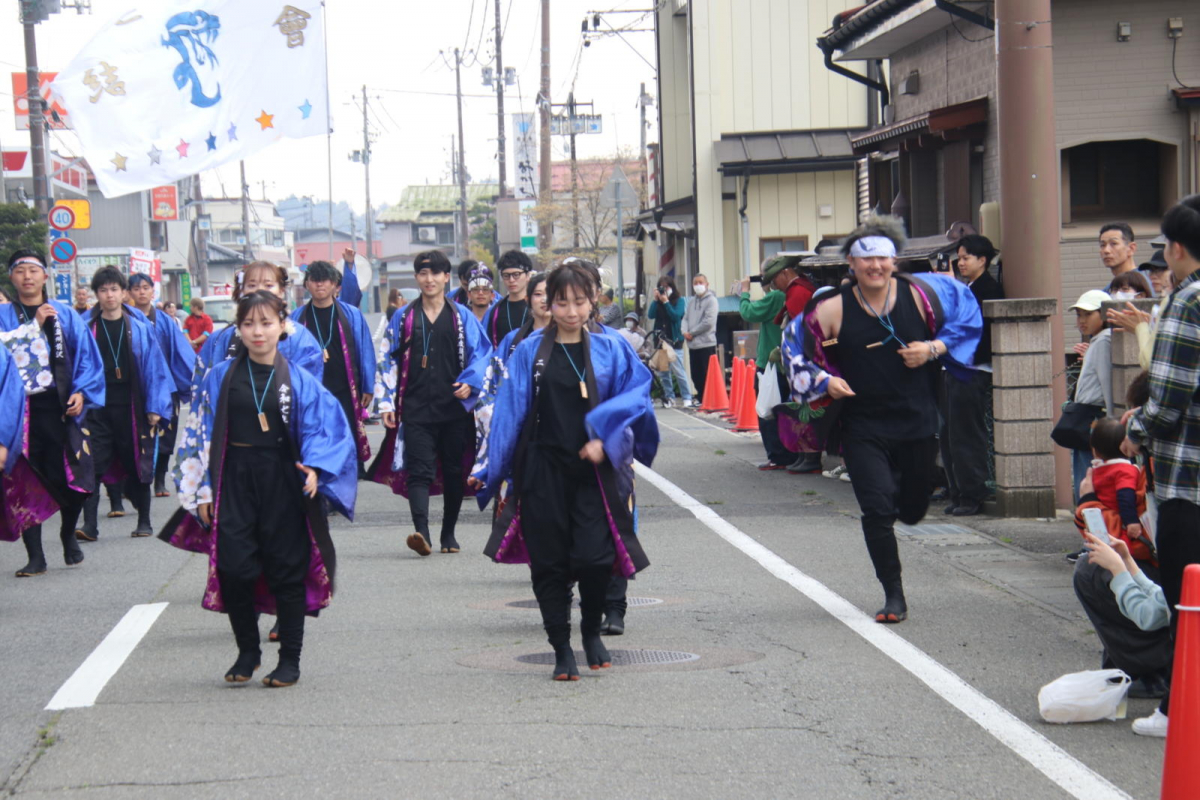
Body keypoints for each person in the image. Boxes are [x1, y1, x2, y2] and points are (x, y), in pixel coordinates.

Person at [470, 260, 658, 680]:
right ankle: (560, 647)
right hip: (542, 470)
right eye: (562, 302)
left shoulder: (612, 349)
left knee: (595, 558)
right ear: (548, 304)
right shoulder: (529, 352)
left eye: (579, 301)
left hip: (594, 474)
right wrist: (490, 470)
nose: (571, 311)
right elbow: (508, 415)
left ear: (593, 302)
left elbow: (636, 399)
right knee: (549, 562)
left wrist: (607, 440)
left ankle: (590, 629)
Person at [791, 215, 982, 622]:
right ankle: (894, 594)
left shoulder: (924, 294)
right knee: (877, 510)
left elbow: (968, 315)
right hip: (862, 424)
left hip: (917, 420)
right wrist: (824, 380)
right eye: (866, 258)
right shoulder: (832, 308)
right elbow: (795, 350)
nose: (875, 266)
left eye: (882, 258)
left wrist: (933, 348)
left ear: (894, 260)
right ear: (851, 263)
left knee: (911, 510)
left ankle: (907, 496)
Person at [162, 291, 356, 687]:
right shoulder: (219, 377)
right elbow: (197, 433)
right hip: (233, 478)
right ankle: (248, 650)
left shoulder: (299, 380)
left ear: (282, 326)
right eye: (248, 323)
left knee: (287, 570)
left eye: (266, 323)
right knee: (234, 568)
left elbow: (326, 427)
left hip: (284, 480)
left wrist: (316, 467)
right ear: (238, 328)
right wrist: (201, 491)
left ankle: (290, 661)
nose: (257, 331)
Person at [1122, 193, 1200, 738]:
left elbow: (1168, 400)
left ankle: (1178, 711)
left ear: (1175, 248)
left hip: (1188, 480)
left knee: (1187, 601)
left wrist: (1135, 431)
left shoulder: (1187, 301)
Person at [368, 250, 491, 556]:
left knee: (453, 470)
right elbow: (386, 360)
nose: (429, 279)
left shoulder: (462, 317)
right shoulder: (403, 317)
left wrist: (471, 383)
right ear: (416, 277)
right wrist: (386, 404)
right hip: (415, 406)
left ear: (446, 277)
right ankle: (421, 532)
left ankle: (448, 533)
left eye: (435, 273)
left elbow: (482, 354)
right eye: (423, 273)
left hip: (454, 408)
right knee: (419, 470)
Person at [0, 249, 105, 577]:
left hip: (60, 408)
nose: (27, 277)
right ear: (11, 277)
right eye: (20, 271)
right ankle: (36, 556)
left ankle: (67, 532)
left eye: (33, 270)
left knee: (74, 480)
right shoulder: (3, 315)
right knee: (26, 480)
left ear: (45, 276)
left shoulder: (65, 314)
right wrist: (34, 326)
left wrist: (81, 391)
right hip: (18, 412)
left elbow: (86, 356)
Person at [77, 268, 174, 541]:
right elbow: (76, 367)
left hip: (132, 405)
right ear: (96, 294)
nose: (109, 295)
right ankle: (90, 526)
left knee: (137, 461)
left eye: (114, 289)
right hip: (96, 406)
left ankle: (144, 521)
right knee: (92, 464)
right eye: (103, 290)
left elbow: (155, 368)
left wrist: (155, 406)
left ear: (123, 293)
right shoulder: (86, 327)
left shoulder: (140, 328)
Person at [940, 234, 1005, 516]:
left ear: (983, 260)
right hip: (955, 368)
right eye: (959, 258)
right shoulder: (969, 288)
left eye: (966, 257)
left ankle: (972, 494)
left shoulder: (988, 289)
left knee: (965, 434)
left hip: (971, 370)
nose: (961, 262)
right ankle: (957, 492)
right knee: (949, 435)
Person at [192, 262, 324, 399]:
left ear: (281, 291)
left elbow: (310, 388)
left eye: (268, 285)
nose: (260, 291)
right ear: (242, 290)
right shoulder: (221, 338)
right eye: (252, 285)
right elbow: (205, 390)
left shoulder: (300, 337)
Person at [291, 261, 376, 471]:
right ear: (307, 285)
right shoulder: (296, 318)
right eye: (314, 280)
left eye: (325, 280)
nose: (320, 285)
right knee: (315, 428)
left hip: (346, 384)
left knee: (347, 425)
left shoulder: (351, 314)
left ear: (335, 285)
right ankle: (318, 467)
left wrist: (367, 386)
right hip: (312, 387)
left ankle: (353, 467)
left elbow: (365, 350)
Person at [126, 273, 198, 498]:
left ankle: (159, 480)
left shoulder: (166, 321)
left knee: (167, 434)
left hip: (166, 385)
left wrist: (195, 378)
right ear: (129, 292)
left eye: (145, 287)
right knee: (134, 435)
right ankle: (134, 480)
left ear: (152, 290)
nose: (141, 292)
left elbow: (181, 352)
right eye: (136, 288)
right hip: (137, 386)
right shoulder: (126, 319)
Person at [1065, 289, 1114, 505]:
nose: (1082, 320)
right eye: (1079, 315)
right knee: (1085, 476)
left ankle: (1090, 521)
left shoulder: (1103, 341)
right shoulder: (1097, 340)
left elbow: (1108, 385)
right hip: (1089, 418)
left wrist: (1111, 425)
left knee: (1088, 480)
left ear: (1104, 314)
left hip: (1095, 420)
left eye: (1088, 314)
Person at [648, 275, 693, 408]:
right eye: (661, 287)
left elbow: (675, 316)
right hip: (660, 342)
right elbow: (650, 315)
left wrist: (666, 302)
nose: (664, 290)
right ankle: (669, 397)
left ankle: (687, 397)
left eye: (666, 287)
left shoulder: (679, 301)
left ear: (672, 287)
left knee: (679, 371)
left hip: (674, 341)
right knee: (664, 373)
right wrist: (656, 300)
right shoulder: (658, 302)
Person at [683, 274, 718, 405]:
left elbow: (708, 322)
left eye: (700, 282)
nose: (698, 285)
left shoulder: (712, 301)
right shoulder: (691, 302)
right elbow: (685, 318)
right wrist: (684, 331)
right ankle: (700, 397)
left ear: (707, 284)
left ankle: (708, 399)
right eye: (695, 283)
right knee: (695, 374)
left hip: (706, 344)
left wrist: (692, 332)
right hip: (693, 345)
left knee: (706, 374)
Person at [488, 250, 533, 346]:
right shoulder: (496, 311)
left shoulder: (537, 306)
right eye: (506, 275)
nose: (511, 280)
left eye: (516, 275)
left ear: (528, 275)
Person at [1100, 223, 1138, 292]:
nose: (1106, 250)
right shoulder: (1107, 291)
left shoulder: (1144, 283)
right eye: (1103, 245)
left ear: (1131, 248)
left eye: (1114, 243)